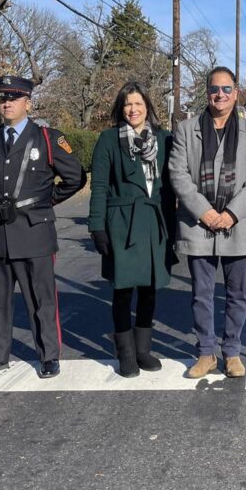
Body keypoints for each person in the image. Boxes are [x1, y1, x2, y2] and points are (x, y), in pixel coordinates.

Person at [0, 76, 86, 380]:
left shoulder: (46, 138)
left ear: (28, 103)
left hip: (33, 230)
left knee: (40, 298)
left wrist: (46, 201)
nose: (7, 103)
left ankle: (48, 355)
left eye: (15, 98)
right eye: (3, 98)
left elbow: (76, 177)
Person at [169, 67, 246, 379]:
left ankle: (233, 351)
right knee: (202, 293)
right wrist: (204, 212)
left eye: (227, 89)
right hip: (199, 224)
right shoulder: (186, 130)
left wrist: (232, 212)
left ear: (236, 93)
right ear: (207, 92)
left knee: (238, 294)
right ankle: (206, 352)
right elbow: (178, 174)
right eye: (215, 89)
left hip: (237, 223)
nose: (220, 95)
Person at [88, 82, 176, 377]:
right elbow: (99, 186)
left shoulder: (164, 140)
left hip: (155, 222)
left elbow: (174, 186)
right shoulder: (109, 139)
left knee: (150, 290)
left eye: (138, 103)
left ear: (148, 106)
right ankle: (125, 353)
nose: (133, 109)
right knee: (123, 290)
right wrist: (97, 227)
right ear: (120, 108)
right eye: (128, 104)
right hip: (122, 223)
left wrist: (175, 229)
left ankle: (143, 350)